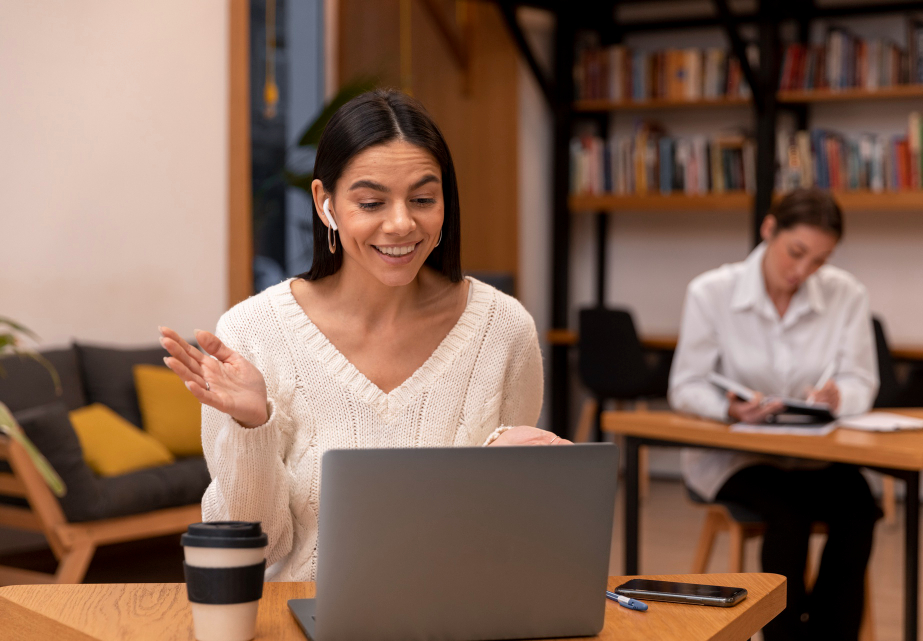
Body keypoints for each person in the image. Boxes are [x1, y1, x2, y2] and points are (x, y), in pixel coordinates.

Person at [158, 89, 569, 582]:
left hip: (454, 621)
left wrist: (511, 477)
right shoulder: (253, 333)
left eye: (423, 199)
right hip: (301, 620)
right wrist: (253, 427)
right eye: (371, 201)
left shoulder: (503, 330)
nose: (401, 224)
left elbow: (508, 536)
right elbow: (255, 551)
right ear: (325, 203)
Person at [668, 188, 880, 641]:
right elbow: (685, 386)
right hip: (738, 457)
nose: (802, 272)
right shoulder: (711, 292)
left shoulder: (848, 294)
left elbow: (863, 380)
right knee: (788, 512)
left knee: (860, 506)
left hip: (815, 455)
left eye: (819, 261)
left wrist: (837, 397)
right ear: (769, 230)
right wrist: (729, 407)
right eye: (796, 253)